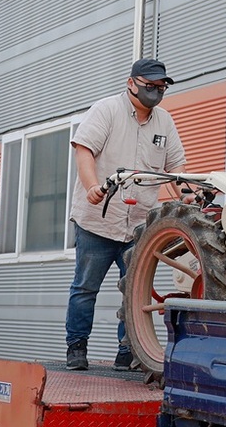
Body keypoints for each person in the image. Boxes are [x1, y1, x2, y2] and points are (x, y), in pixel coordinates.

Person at [65, 58, 186, 371]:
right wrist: (92, 187)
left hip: (139, 226)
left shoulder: (165, 122)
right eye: (150, 86)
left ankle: (127, 353)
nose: (156, 92)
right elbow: (84, 150)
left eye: (161, 88)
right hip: (98, 221)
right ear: (131, 83)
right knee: (85, 288)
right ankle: (76, 348)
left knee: (135, 293)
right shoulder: (106, 110)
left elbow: (175, 170)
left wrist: (188, 196)